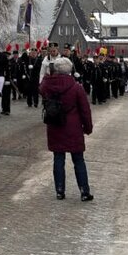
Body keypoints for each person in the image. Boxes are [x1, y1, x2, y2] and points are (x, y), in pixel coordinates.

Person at [38, 57, 93, 201]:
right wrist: (88, 127)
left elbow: (41, 88)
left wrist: (48, 76)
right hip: (73, 127)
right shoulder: (76, 88)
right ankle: (84, 191)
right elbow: (85, 110)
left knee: (58, 158)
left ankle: (60, 190)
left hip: (55, 125)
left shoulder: (47, 85)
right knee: (78, 160)